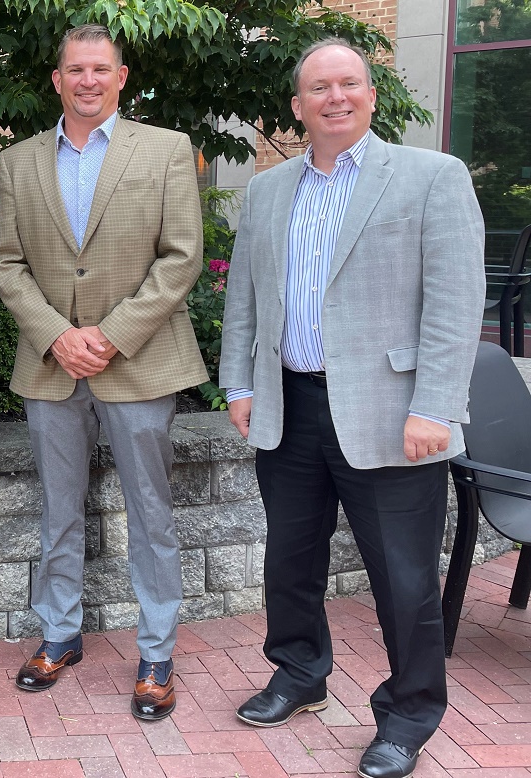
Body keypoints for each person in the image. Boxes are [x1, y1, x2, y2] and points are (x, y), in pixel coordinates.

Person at [219, 38, 485, 778]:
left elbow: (456, 305)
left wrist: (436, 404)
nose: (335, 97)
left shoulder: (432, 177)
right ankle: (300, 673)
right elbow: (244, 297)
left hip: (394, 414)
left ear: (371, 94)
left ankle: (408, 716)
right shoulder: (269, 191)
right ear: (297, 106)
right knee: (290, 559)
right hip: (290, 406)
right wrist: (239, 386)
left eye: (349, 84)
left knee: (402, 577)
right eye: (318, 88)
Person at [0, 24, 208, 719]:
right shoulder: (20, 161)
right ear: (57, 80)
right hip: (51, 365)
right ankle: (59, 635)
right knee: (58, 510)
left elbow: (181, 258)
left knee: (151, 512)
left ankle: (156, 652)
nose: (87, 80)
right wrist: (58, 336)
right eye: (75, 70)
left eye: (100, 69)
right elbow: (6, 262)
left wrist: (109, 337)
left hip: (139, 361)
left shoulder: (168, 150)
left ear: (121, 76)